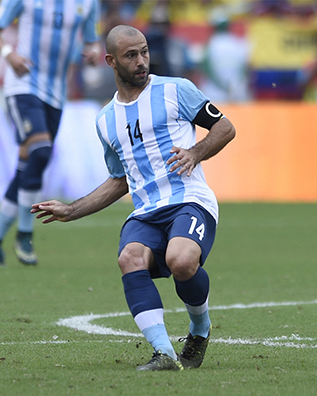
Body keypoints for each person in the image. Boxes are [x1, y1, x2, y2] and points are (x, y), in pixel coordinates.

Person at [31, 25, 236, 372]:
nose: (141, 61)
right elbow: (119, 181)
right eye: (131, 55)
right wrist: (72, 209)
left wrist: (194, 152)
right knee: (129, 257)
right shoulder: (106, 120)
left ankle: (199, 328)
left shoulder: (176, 90)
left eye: (144, 52)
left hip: (189, 199)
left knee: (182, 261)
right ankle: (164, 354)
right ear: (111, 61)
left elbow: (225, 127)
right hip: (145, 211)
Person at [0, 0, 101, 267]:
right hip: (22, 85)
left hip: (57, 95)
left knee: (28, 166)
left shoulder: (88, 3)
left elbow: (92, 40)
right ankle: (25, 234)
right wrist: (9, 54)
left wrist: (93, 52)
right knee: (41, 151)